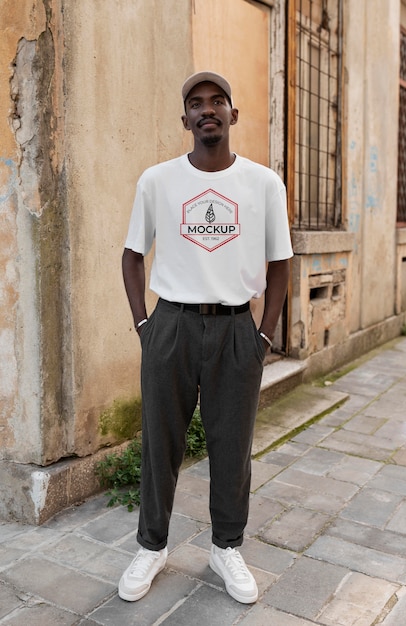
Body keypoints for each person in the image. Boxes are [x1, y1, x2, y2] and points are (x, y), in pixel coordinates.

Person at [119, 71, 293, 604]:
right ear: (186, 120)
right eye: (196, 104)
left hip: (236, 328)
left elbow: (281, 264)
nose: (207, 109)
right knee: (159, 443)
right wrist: (145, 325)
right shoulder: (157, 181)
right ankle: (152, 545)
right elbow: (131, 256)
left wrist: (263, 337)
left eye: (218, 101)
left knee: (232, 446)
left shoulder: (264, 184)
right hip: (170, 325)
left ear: (233, 115)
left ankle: (226, 547)